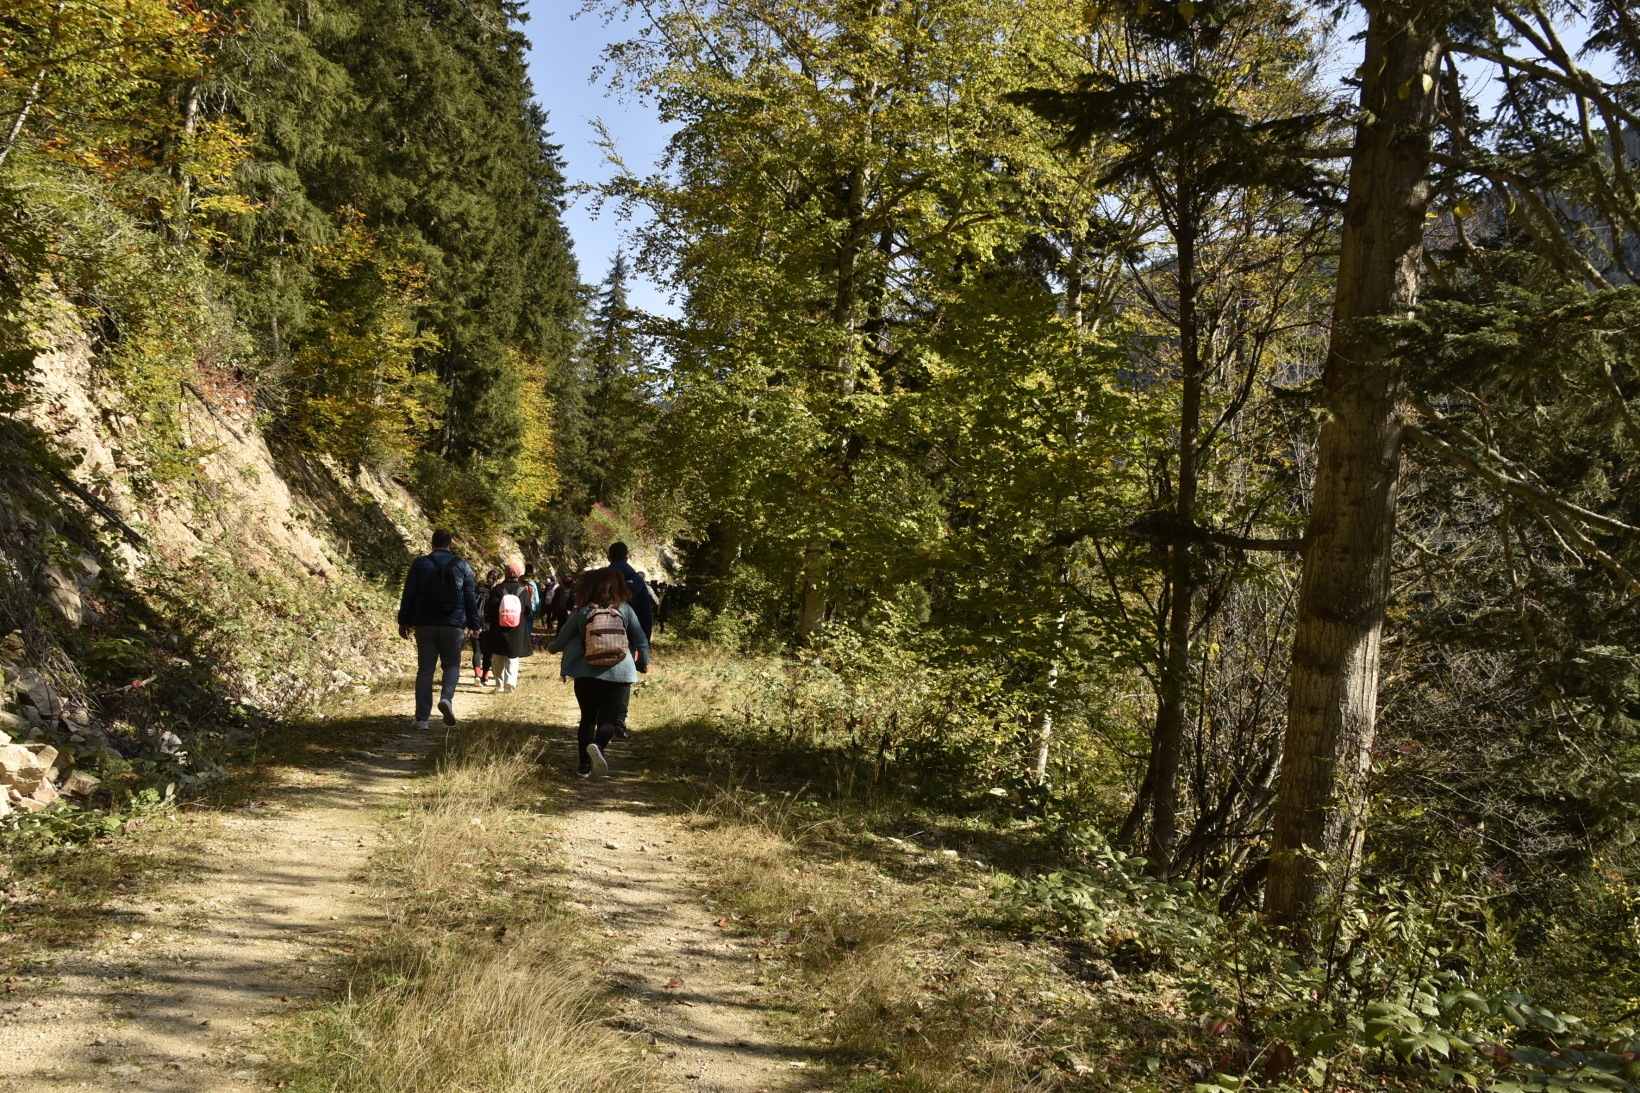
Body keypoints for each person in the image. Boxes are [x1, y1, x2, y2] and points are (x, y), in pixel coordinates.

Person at [548, 566, 650, 777]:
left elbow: (561, 640)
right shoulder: (626, 610)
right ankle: (598, 746)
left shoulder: (582, 611)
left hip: (586, 673)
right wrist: (644, 662)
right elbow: (640, 639)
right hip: (619, 672)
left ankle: (584, 766)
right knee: (609, 720)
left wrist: (550, 648)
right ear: (619, 587)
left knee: (587, 719)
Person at [397, 529, 480, 730]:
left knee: (425, 670)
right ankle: (446, 699)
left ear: (432, 543)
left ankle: (422, 719)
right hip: (454, 624)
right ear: (450, 544)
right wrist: (474, 625)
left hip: (425, 624)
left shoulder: (420, 563)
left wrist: (404, 621)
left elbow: (409, 593)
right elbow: (470, 597)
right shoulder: (463, 565)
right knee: (452, 665)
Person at [483, 562, 535, 693]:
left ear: (505, 573)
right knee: (513, 656)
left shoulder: (497, 589)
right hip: (517, 628)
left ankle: (499, 685)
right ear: (518, 574)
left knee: (498, 657)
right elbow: (529, 610)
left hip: (499, 627)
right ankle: (510, 682)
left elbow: (490, 609)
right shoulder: (523, 590)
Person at [607, 542, 654, 638]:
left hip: (603, 635)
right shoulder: (638, 581)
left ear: (609, 558)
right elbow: (646, 614)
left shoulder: (600, 579)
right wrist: (644, 644)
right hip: (630, 636)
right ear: (626, 559)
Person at [472, 567, 502, 685]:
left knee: (477, 651)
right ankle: (485, 676)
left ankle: (477, 675)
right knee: (488, 652)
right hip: (491, 626)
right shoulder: (498, 592)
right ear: (498, 579)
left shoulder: (478, 589)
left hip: (476, 624)